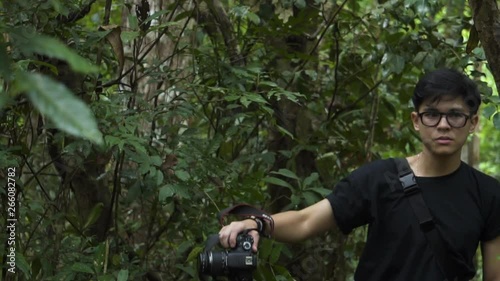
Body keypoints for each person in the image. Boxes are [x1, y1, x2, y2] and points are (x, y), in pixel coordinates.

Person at [218, 68, 500, 281]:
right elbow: (305, 221)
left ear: (473, 122)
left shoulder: (488, 193)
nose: (443, 125)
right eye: (432, 114)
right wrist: (258, 223)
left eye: (455, 115)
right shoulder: (379, 178)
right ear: (416, 121)